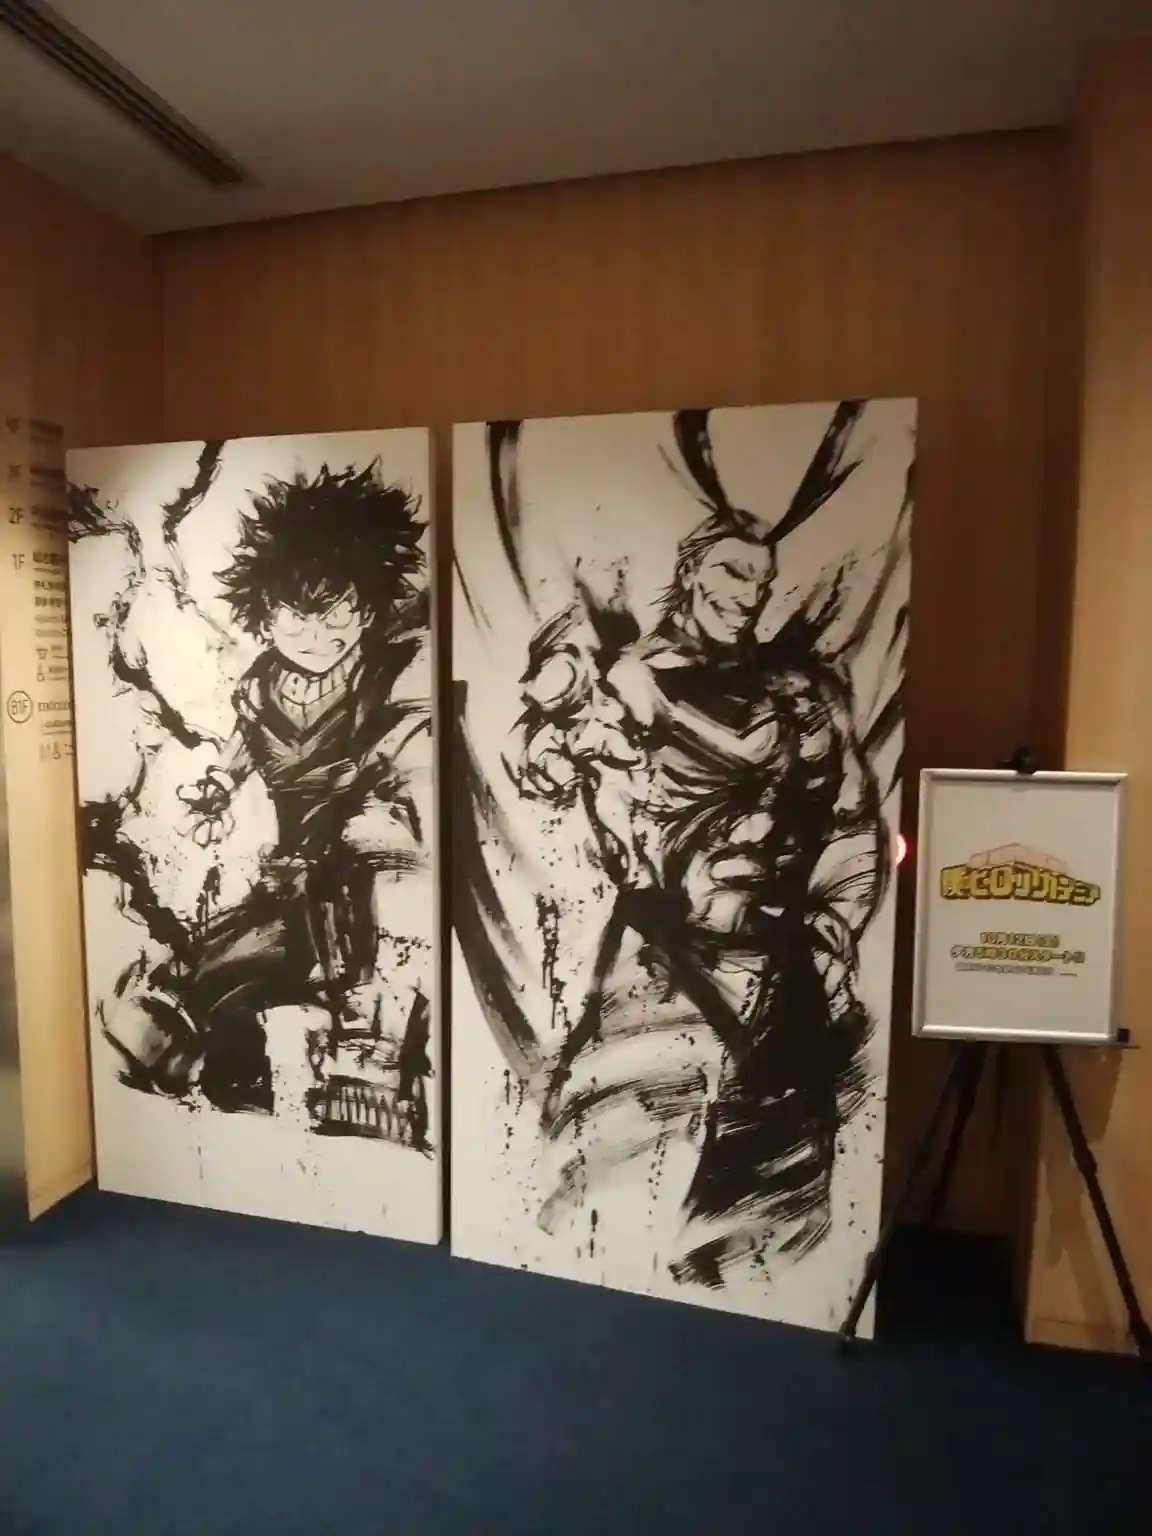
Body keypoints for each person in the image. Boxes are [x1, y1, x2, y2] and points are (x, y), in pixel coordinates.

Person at [510, 507, 888, 1285]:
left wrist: (833, 929)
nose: (749, 593)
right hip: (662, 967)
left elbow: (853, 826)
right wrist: (557, 734)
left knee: (773, 1200)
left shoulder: (800, 695)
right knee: (608, 1166)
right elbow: (543, 763)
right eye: (733, 571)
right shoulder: (626, 681)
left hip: (780, 968)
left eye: (762, 580)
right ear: (690, 569)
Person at [102, 462, 432, 1139]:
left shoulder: (381, 676)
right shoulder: (260, 682)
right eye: (296, 619)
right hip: (289, 858)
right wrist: (219, 787)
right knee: (246, 946)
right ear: (268, 615)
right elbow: (245, 744)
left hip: (355, 846)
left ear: (365, 610)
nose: (314, 635)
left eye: (334, 616)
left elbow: (400, 748)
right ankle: (214, 1056)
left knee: (343, 955)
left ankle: (366, 1071)